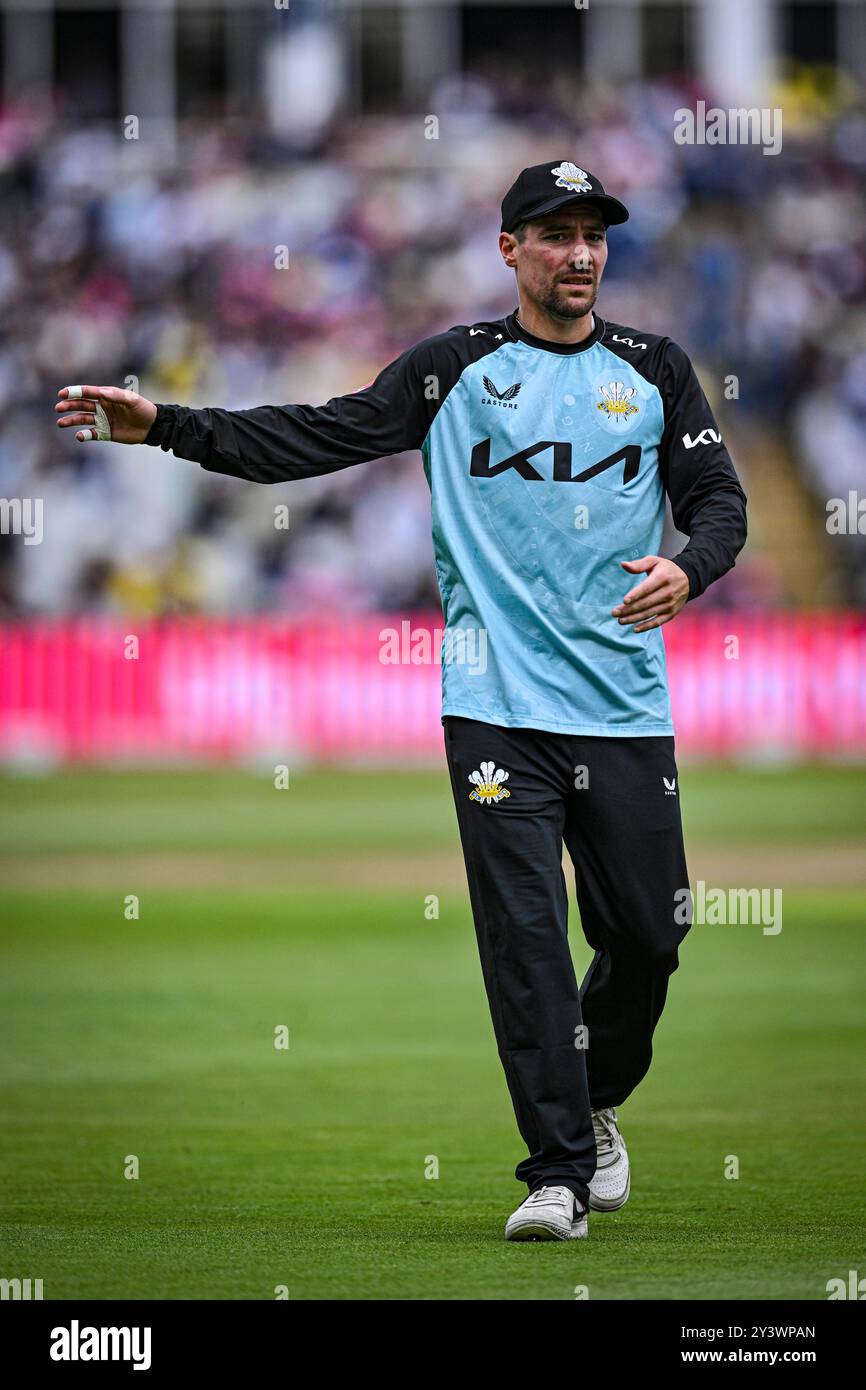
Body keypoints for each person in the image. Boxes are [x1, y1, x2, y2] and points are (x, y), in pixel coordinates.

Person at [55, 160, 747, 1242]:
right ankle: (556, 1172)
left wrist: (689, 568)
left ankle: (596, 1097)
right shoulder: (452, 368)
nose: (578, 254)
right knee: (524, 941)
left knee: (651, 938)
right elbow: (313, 436)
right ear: (508, 249)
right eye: (554, 235)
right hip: (493, 705)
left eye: (592, 237)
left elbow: (715, 499)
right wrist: (166, 427)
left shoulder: (653, 369)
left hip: (619, 703)